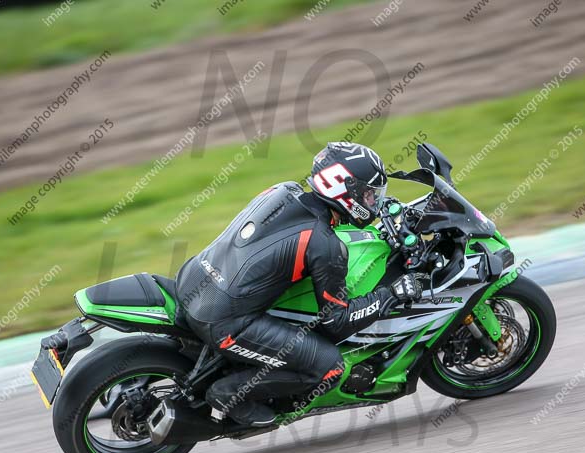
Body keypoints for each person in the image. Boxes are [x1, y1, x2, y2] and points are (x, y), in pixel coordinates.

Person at [175, 142, 423, 426]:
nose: (372, 202)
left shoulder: (284, 191)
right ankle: (228, 393)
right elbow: (336, 322)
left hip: (192, 279)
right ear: (344, 190)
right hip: (223, 323)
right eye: (367, 194)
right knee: (330, 367)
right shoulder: (326, 246)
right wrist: (390, 295)